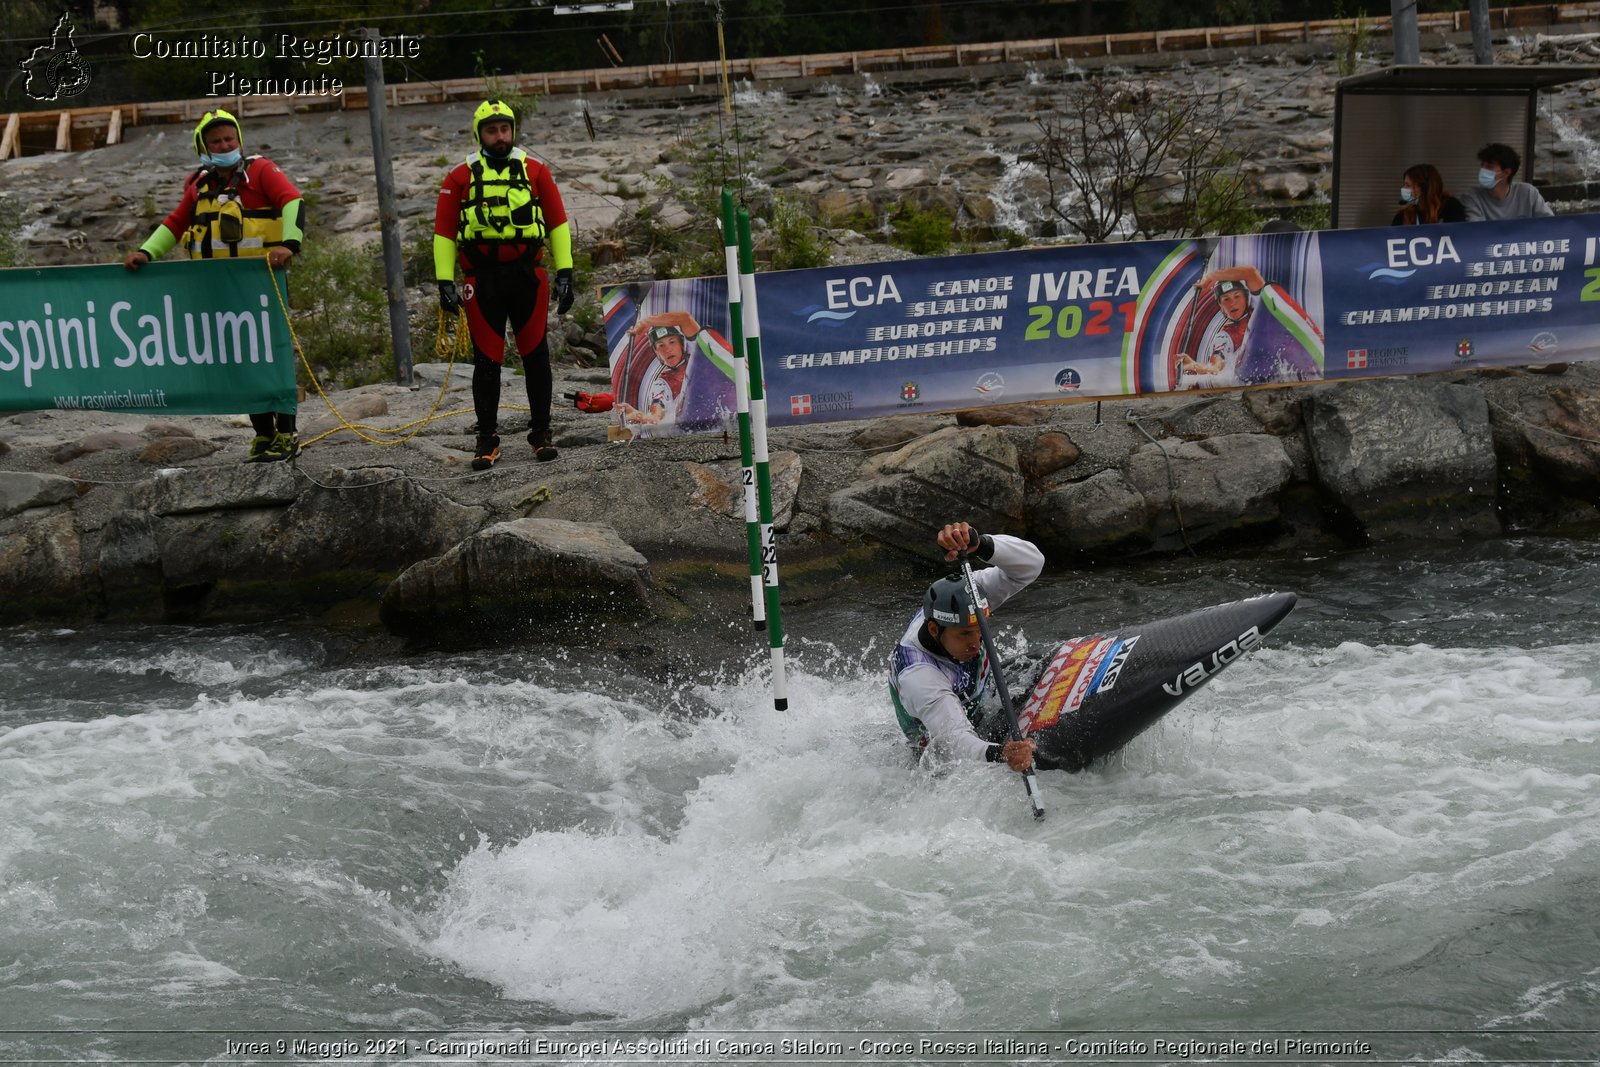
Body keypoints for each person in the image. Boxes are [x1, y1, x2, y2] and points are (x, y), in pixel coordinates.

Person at [123, 109, 304, 462]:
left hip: (262, 286)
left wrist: (290, 244)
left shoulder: (262, 171)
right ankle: (263, 435)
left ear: (239, 141)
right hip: (219, 292)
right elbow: (176, 224)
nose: (224, 146)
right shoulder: (199, 185)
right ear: (203, 147)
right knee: (241, 361)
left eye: (229, 139)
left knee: (273, 357)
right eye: (217, 141)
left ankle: (287, 434)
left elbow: (293, 200)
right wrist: (146, 253)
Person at [433, 98, 575, 470]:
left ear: (513, 131)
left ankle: (541, 434)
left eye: (505, 129)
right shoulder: (459, 177)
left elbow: (558, 222)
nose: (500, 136)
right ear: (479, 133)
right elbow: (445, 233)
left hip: (528, 275)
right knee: (486, 362)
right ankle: (487, 440)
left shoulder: (535, 171)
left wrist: (566, 272)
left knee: (536, 356)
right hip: (482, 280)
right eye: (493, 130)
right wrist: (444, 282)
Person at [888, 521, 1041, 772]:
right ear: (935, 630)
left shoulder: (966, 596)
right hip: (942, 756)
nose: (976, 642)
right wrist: (1002, 754)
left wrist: (981, 544)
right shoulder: (919, 676)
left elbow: (1031, 565)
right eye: (965, 634)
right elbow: (954, 740)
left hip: (978, 701)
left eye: (980, 630)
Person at [1178, 265, 1324, 386]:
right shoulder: (1224, 335)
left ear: (1246, 297)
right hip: (1247, 374)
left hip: (1274, 360)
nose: (1232, 303)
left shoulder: (1259, 309)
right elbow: (1216, 367)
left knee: (1268, 290)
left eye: (1237, 296)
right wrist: (1195, 366)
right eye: (1226, 300)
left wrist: (1211, 277)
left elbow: (1250, 272)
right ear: (1221, 307)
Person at [614, 310, 735, 437]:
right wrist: (639, 415)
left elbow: (685, 318)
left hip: (724, 405)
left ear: (682, 344)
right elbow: (656, 417)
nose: (667, 349)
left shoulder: (696, 352)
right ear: (657, 354)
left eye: (672, 342)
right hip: (695, 424)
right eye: (661, 346)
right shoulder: (661, 384)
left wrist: (645, 322)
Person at [1460, 142, 1553, 222]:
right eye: (1482, 165)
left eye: (1489, 167)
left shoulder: (1528, 193)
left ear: (1506, 172)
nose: (1483, 170)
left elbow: (1550, 225)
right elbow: (1476, 231)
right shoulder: (1472, 197)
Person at [1392, 163, 1466, 225]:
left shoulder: (1452, 207)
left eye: (1408, 185)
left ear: (1424, 187)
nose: (1403, 189)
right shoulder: (1404, 215)